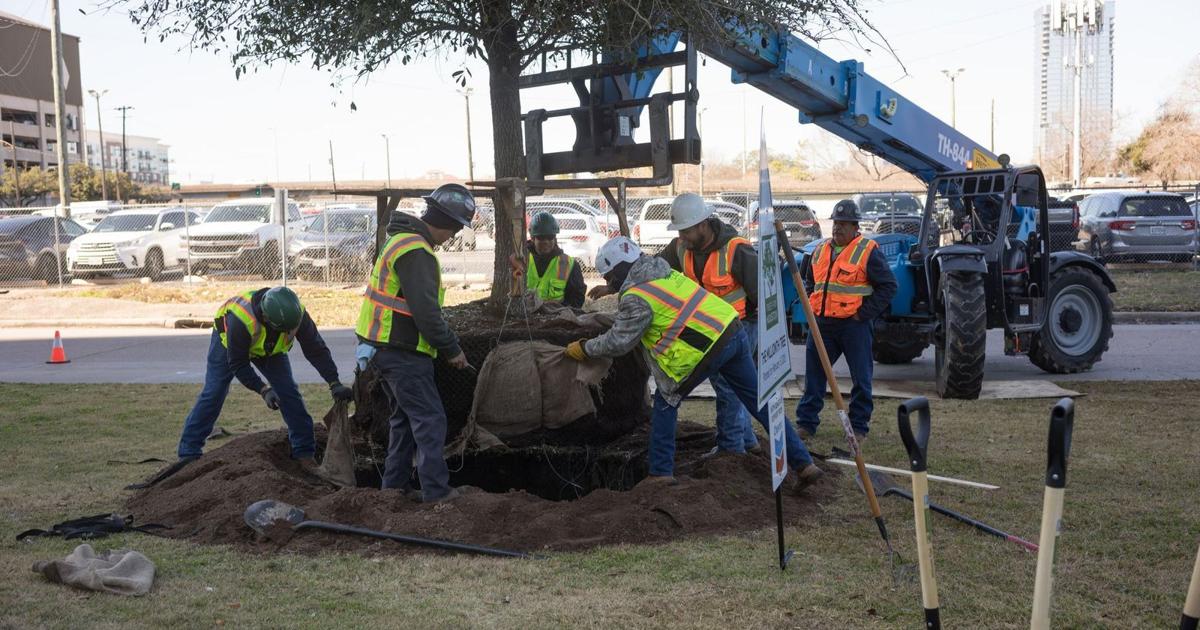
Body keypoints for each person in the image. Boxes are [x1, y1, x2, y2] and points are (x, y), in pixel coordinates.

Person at [565, 236, 823, 489]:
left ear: (619, 270)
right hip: (732, 330)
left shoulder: (636, 296)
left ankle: (660, 472)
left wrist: (585, 348)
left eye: (609, 277)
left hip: (705, 349)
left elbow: (619, 341)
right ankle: (803, 463)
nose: (609, 282)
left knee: (666, 403)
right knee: (760, 402)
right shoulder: (663, 272)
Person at [356, 183, 474, 503]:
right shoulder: (417, 251)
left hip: (385, 347)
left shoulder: (402, 241)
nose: (453, 237)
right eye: (455, 229)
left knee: (405, 422)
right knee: (430, 420)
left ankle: (393, 490)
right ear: (447, 223)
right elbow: (426, 314)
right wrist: (451, 349)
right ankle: (436, 492)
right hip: (402, 351)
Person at [177, 286, 352, 465]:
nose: (288, 334)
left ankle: (304, 453)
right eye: (284, 331)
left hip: (269, 350)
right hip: (229, 344)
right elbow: (238, 364)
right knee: (214, 392)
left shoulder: (296, 314)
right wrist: (264, 390)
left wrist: (334, 382)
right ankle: (189, 451)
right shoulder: (241, 320)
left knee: (288, 393)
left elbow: (315, 349)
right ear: (267, 319)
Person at [659, 193, 761, 455]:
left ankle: (731, 449)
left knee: (728, 387)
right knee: (728, 384)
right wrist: (618, 279)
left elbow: (761, 294)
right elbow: (654, 269)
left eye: (686, 231)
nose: (682, 237)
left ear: (703, 225)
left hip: (741, 326)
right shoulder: (680, 248)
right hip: (709, 330)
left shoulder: (736, 249)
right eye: (679, 231)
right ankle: (747, 440)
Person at [794, 199, 898, 443]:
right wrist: (813, 305)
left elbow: (888, 286)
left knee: (861, 377)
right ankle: (806, 424)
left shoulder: (867, 251)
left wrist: (863, 314)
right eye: (836, 223)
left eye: (844, 224)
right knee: (814, 376)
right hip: (823, 325)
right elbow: (811, 282)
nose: (837, 227)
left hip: (854, 326)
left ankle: (858, 426)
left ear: (855, 227)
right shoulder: (820, 250)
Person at [510, 211, 586, 308]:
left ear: (555, 238)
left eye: (550, 237)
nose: (546, 242)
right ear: (532, 238)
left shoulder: (569, 264)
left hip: (557, 315)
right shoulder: (520, 260)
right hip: (526, 314)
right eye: (541, 237)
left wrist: (558, 308)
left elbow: (577, 299)